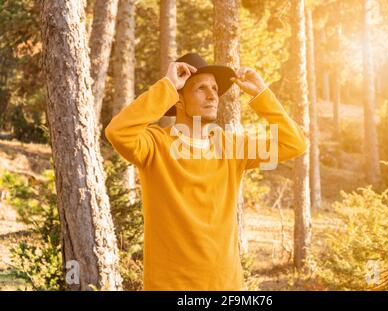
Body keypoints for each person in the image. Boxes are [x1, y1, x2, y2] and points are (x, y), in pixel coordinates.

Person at [105, 52, 309, 290]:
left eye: (214, 88)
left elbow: (294, 144)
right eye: (201, 88)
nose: (213, 95)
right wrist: (168, 86)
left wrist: (262, 95)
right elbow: (117, 131)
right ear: (178, 99)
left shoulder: (233, 148)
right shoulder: (154, 145)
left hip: (227, 287)